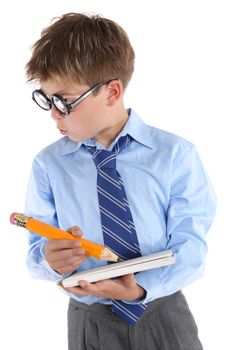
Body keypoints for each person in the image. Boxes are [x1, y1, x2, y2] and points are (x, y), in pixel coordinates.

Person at [25, 12, 216, 350]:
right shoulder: (48, 165)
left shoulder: (175, 155)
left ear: (112, 92)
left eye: (63, 101)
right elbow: (36, 252)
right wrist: (51, 260)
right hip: (90, 320)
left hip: (162, 312)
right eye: (47, 100)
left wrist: (139, 289)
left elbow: (191, 247)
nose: (54, 114)